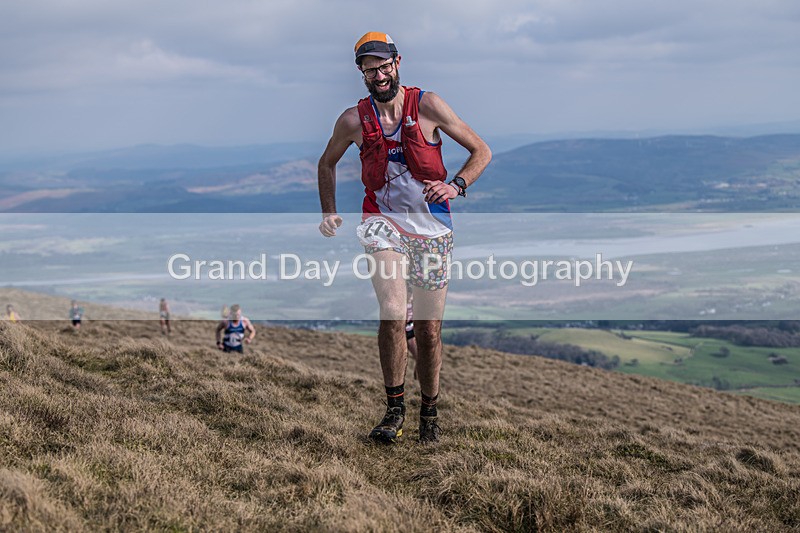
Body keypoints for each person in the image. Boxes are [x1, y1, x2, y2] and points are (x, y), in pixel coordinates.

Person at [317, 32, 491, 443]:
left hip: (433, 229)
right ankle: (394, 408)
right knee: (393, 309)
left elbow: (481, 150)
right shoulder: (353, 120)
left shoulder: (428, 105)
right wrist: (329, 212)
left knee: (428, 331)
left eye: (383, 66)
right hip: (383, 223)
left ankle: (428, 411)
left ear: (397, 64)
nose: (378, 75)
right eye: (368, 69)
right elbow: (327, 163)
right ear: (360, 73)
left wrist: (457, 185)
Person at [405, 285, 419, 382]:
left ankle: (417, 380)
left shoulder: (414, 302)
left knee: (419, 358)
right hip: (403, 333)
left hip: (411, 332)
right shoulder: (402, 302)